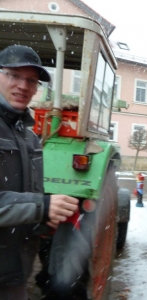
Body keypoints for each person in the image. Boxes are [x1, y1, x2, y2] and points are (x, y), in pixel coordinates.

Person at [0, 45, 79, 299]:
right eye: (14, 75)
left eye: (31, 80)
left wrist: (43, 221)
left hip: (15, 271)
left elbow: (24, 194)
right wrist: (41, 207)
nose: (23, 86)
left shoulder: (30, 136)